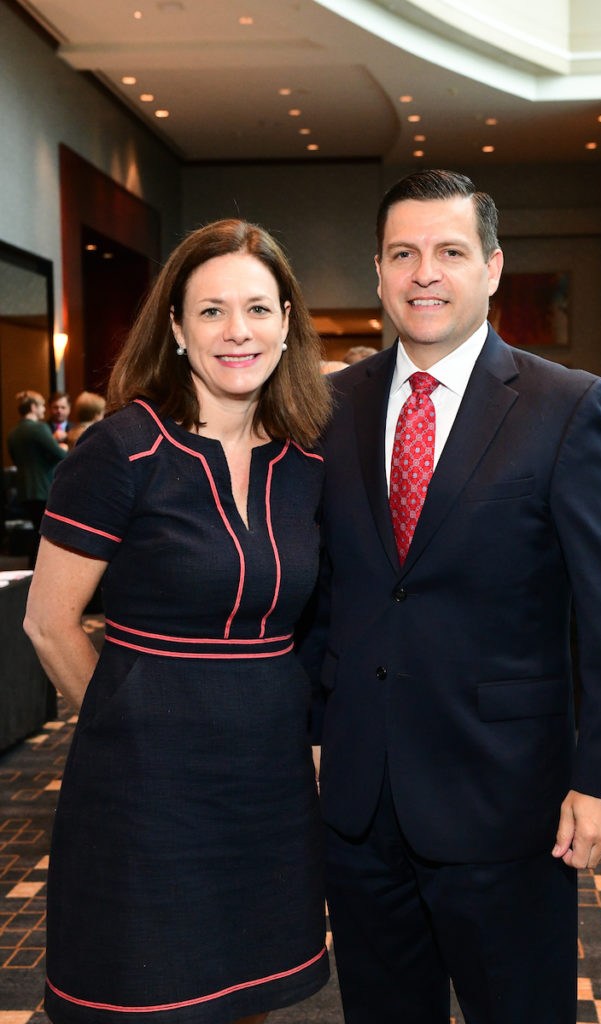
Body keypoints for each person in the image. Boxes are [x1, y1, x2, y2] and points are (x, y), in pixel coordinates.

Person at [300, 169, 601, 1024]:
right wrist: (312, 728)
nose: (426, 272)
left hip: (508, 802)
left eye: (450, 252)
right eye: (404, 254)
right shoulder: (325, 405)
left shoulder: (564, 406)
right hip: (359, 800)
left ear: (491, 268)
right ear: (379, 273)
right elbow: (323, 584)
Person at [24, 219, 332, 1024]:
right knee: (147, 993)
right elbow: (49, 624)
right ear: (175, 327)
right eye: (212, 311)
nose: (239, 331)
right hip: (145, 785)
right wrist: (130, 726)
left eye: (259, 309)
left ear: (286, 322)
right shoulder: (121, 449)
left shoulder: (307, 461)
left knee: (248, 993)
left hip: (268, 778)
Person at [7, 390, 67, 564]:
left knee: (37, 530)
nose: (43, 410)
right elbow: (59, 454)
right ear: (33, 407)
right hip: (43, 488)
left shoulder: (13, 433)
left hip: (25, 490)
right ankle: (39, 568)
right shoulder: (39, 428)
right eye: (41, 406)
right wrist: (62, 445)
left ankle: (33, 568)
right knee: (45, 533)